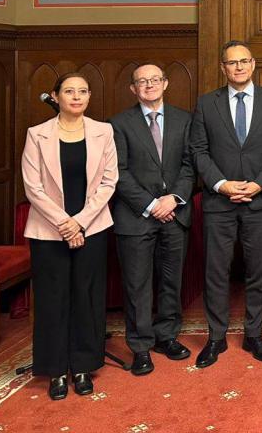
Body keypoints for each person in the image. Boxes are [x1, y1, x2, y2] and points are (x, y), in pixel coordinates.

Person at [21, 73, 117, 400]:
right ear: (56, 96)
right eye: (69, 91)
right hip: (48, 231)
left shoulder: (103, 131)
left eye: (83, 91)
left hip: (93, 227)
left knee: (87, 297)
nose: (76, 96)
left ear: (89, 96)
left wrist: (81, 223)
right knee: (52, 299)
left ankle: (83, 366)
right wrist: (65, 224)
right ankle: (56, 370)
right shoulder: (37, 134)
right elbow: (32, 187)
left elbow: (109, 182)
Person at [190, 41, 262, 368]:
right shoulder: (206, 103)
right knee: (216, 271)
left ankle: (254, 334)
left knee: (258, 270)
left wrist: (259, 183)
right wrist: (222, 184)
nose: (239, 67)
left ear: (253, 64)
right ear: (223, 68)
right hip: (219, 201)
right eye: (232, 62)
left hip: (260, 200)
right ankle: (216, 337)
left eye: (244, 61)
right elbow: (198, 150)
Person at [110, 64, 195, 375]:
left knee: (171, 281)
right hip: (136, 217)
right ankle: (141, 347)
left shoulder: (185, 119)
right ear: (133, 88)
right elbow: (118, 172)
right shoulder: (118, 124)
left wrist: (173, 198)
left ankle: (166, 337)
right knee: (137, 285)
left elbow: (190, 165)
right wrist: (150, 204)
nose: (149, 85)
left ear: (165, 83)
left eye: (155, 79)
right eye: (142, 81)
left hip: (175, 213)